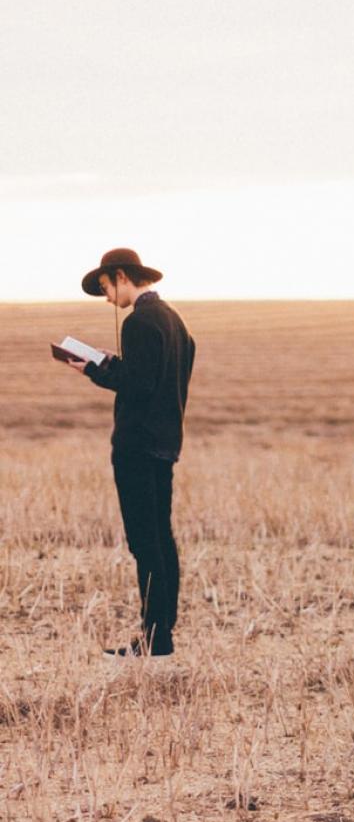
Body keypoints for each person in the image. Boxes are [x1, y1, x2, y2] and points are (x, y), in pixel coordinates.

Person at [70, 247, 196, 657]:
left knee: (144, 542)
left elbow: (138, 386)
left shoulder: (139, 321)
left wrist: (92, 368)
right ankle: (162, 634)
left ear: (122, 276)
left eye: (106, 287)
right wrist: (114, 364)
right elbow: (160, 379)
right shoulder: (174, 321)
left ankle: (155, 639)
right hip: (165, 442)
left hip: (138, 445)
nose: (107, 297)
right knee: (162, 537)